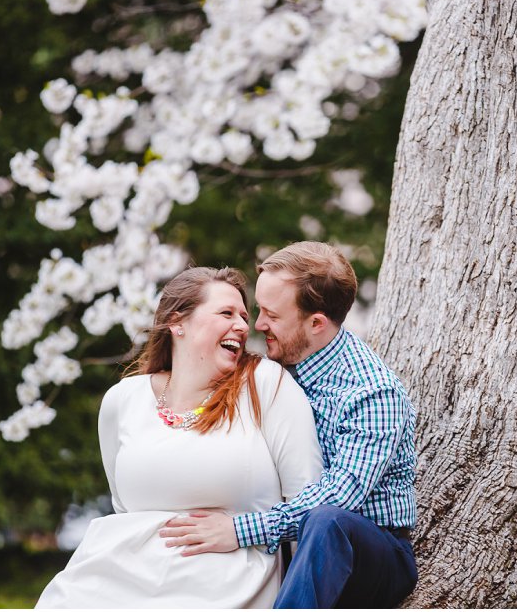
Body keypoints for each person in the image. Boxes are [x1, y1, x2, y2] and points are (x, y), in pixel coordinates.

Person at [36, 267, 323, 608]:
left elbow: (312, 505)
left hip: (223, 589)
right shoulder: (124, 399)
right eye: (226, 313)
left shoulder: (266, 384)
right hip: (107, 580)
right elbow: (122, 504)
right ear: (178, 322)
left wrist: (239, 531)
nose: (244, 326)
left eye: (244, 317)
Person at [160, 242, 418, 608]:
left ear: (316, 323)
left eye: (272, 315)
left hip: (369, 551)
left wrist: (239, 529)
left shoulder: (372, 393)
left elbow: (340, 495)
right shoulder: (269, 373)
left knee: (327, 521)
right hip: (288, 539)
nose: (258, 324)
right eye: (259, 310)